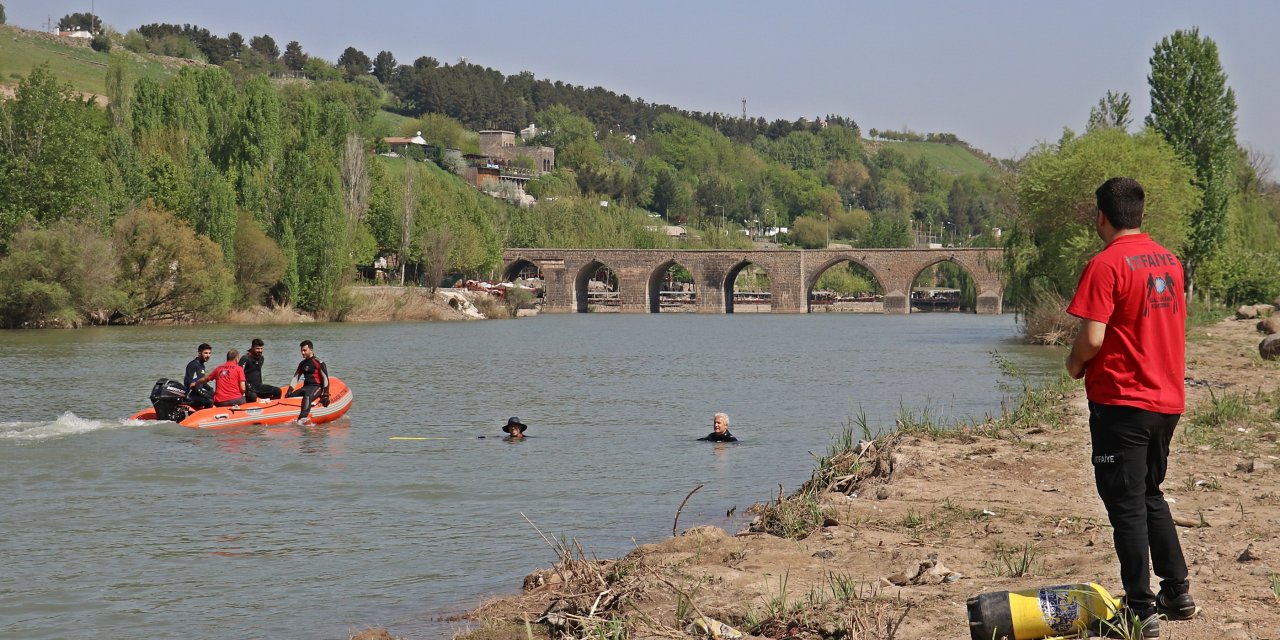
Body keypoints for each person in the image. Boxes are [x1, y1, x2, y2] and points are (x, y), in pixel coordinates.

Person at [1065, 177, 1196, 636]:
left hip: (1123, 402)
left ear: (1101, 216)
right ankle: (1177, 592)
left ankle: (1140, 609)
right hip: (1167, 400)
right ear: (1141, 213)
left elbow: (1093, 336)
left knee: (1125, 504)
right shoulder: (1169, 261)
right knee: (1148, 493)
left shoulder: (1106, 265)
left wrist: (1075, 363)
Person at [287, 339, 329, 426]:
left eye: (304, 350)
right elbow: (296, 377)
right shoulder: (302, 363)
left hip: (317, 387)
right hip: (306, 387)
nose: (302, 353)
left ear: (311, 350)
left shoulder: (318, 362)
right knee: (290, 397)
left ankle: (302, 419)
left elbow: (325, 379)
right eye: (301, 351)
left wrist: (325, 395)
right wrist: (290, 390)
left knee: (307, 396)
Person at [184, 343, 215, 409]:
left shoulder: (201, 365)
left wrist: (211, 390)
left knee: (215, 395)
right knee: (209, 401)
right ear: (199, 353)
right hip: (190, 395)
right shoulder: (193, 365)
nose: (208, 355)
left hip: (197, 393)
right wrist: (204, 395)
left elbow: (201, 382)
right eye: (205, 353)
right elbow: (191, 384)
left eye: (209, 353)